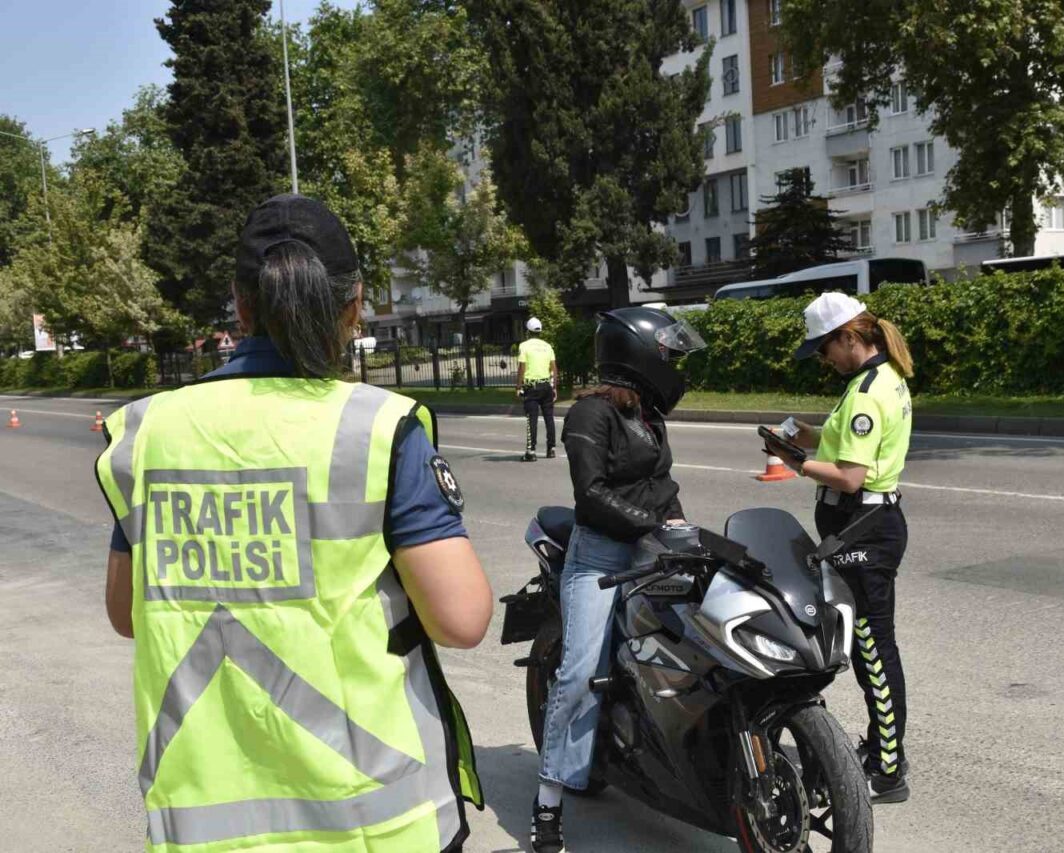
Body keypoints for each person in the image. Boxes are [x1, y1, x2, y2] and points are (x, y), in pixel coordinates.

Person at [97, 194, 492, 852]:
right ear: (354, 304)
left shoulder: (150, 432)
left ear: (239, 304)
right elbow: (463, 619)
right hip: (376, 825)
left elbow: (125, 613)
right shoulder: (374, 428)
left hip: (206, 830)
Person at [531, 307, 705, 853]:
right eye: (670, 356)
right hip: (600, 558)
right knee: (582, 674)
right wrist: (653, 525)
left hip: (653, 548)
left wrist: (680, 529)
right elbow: (591, 494)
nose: (676, 366)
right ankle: (548, 803)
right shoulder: (590, 414)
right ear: (640, 355)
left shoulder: (649, 415)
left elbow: (661, 485)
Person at [764, 291, 915, 805]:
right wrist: (806, 436)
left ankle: (887, 771)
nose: (824, 360)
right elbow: (843, 438)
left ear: (849, 337)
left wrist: (794, 461)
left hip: (863, 530)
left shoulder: (867, 392)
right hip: (870, 527)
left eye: (824, 348)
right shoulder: (877, 378)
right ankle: (883, 751)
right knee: (872, 646)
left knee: (873, 651)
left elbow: (850, 476)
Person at [516, 317, 558, 461]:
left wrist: (518, 387)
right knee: (549, 418)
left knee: (531, 419)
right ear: (540, 332)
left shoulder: (524, 346)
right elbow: (554, 369)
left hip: (531, 388)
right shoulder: (547, 346)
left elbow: (522, 368)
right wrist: (554, 387)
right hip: (546, 386)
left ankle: (531, 452)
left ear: (528, 332)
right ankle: (551, 449)